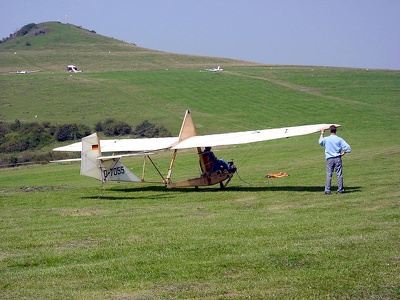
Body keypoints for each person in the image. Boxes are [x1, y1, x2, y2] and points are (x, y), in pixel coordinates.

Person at [318, 125, 351, 194]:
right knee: (339, 174)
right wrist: (344, 153)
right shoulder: (339, 139)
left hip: (329, 159)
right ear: (336, 131)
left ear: (330, 131)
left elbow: (320, 142)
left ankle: (327, 190)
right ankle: (340, 190)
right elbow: (348, 148)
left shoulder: (326, 139)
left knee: (329, 175)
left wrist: (322, 133)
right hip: (337, 158)